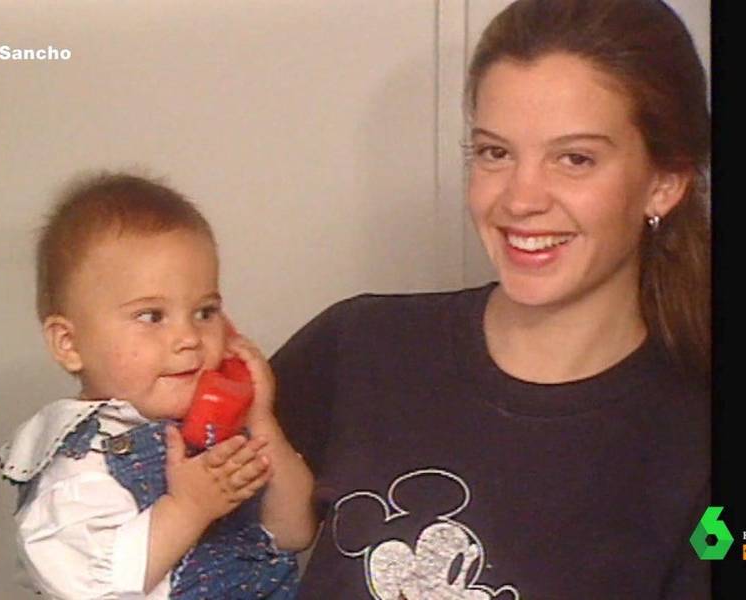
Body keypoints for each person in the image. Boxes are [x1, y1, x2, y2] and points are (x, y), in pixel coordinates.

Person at [271, 0, 710, 597]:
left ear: (663, 183)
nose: (520, 199)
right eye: (495, 152)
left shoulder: (694, 440)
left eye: (574, 159)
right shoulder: (358, 346)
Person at [0, 172, 316, 598]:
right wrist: (187, 508)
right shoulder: (80, 470)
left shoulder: (223, 434)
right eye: (151, 316)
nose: (189, 338)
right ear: (70, 344)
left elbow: (294, 531)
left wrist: (260, 420)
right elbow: (94, 588)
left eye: (205, 312)